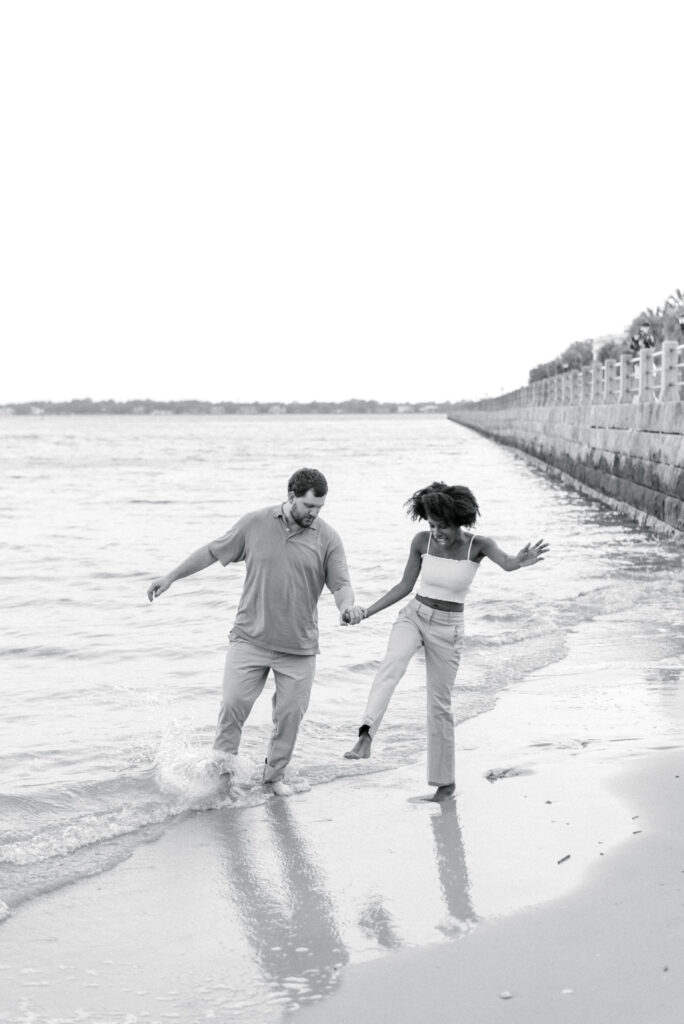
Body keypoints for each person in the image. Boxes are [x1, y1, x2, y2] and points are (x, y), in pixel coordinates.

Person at [147, 468, 364, 796]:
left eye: (320, 507)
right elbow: (211, 550)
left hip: (299, 646)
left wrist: (347, 607)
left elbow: (341, 585)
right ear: (291, 497)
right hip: (250, 638)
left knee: (289, 715)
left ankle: (273, 777)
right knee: (233, 706)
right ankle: (222, 781)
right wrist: (172, 576)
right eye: (308, 506)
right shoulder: (255, 523)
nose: (314, 513)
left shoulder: (328, 538)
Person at [343, 482, 548, 801]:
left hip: (449, 629)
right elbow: (404, 586)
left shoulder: (478, 545)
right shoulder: (421, 541)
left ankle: (444, 784)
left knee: (439, 705)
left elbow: (507, 563)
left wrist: (523, 560)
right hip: (415, 615)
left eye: (443, 526)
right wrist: (366, 612)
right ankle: (365, 734)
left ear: (460, 522)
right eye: (432, 524)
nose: (437, 532)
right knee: (391, 666)